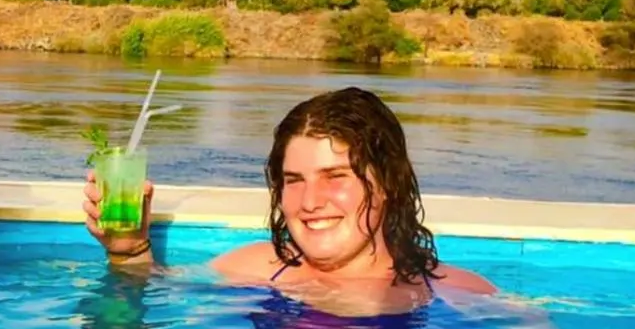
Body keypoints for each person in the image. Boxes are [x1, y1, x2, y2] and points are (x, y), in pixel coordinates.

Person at [82, 86, 496, 315]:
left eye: (335, 177)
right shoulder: (254, 269)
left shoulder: (457, 293)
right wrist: (130, 250)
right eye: (293, 180)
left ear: (387, 181)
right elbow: (146, 289)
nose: (310, 201)